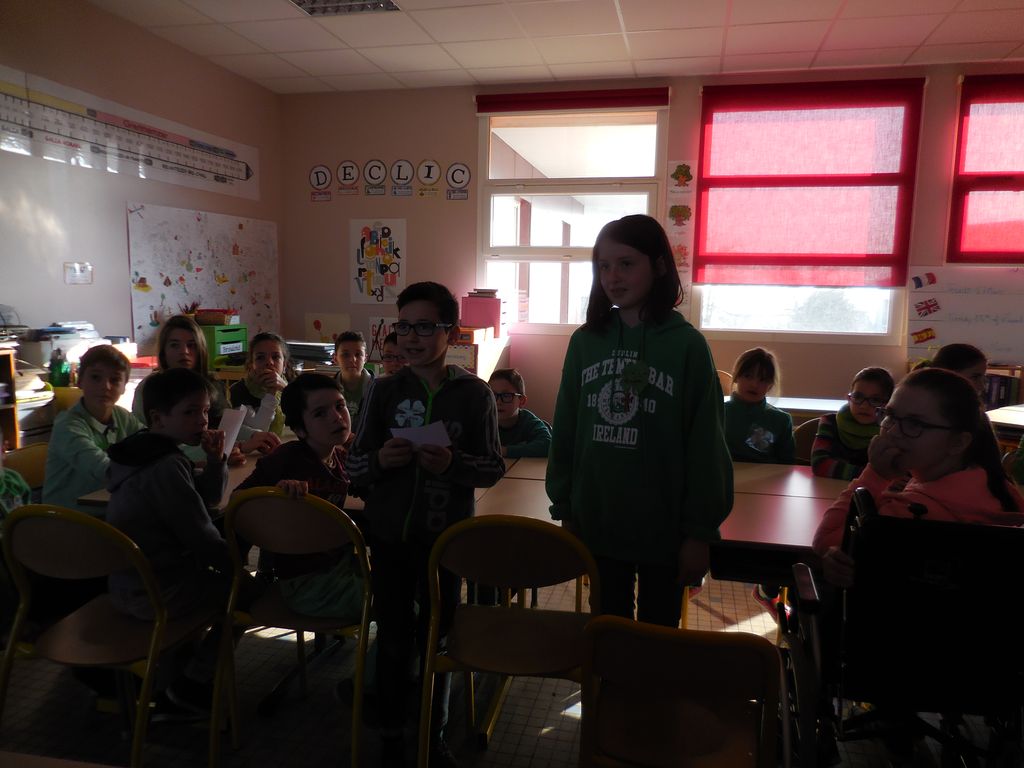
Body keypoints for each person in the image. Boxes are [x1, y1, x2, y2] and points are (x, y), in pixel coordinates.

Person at [546, 214, 733, 628]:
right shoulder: (585, 342)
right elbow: (567, 429)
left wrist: (700, 533)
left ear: (659, 265)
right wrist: (566, 508)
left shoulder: (687, 345)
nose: (612, 277)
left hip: (664, 530)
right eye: (604, 266)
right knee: (608, 630)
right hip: (598, 521)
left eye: (626, 264)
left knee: (656, 639)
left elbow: (706, 444)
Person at [345, 281, 505, 767]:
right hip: (389, 537)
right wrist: (380, 460)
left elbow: (492, 467)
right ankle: (392, 733)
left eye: (425, 326)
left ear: (450, 332)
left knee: (436, 638)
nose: (411, 337)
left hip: (445, 542)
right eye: (404, 327)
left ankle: (432, 734)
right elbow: (354, 466)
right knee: (393, 637)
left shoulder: (474, 394)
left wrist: (452, 464)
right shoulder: (383, 390)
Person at [107, 367, 251, 713]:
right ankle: (193, 683)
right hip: (156, 592)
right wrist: (239, 570)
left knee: (225, 572)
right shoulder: (165, 466)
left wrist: (215, 460)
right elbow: (201, 536)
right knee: (246, 594)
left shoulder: (141, 451)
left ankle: (177, 671)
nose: (203, 421)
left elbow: (208, 500)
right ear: (158, 417)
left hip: (127, 584)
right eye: (190, 412)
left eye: (205, 411)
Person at [813, 367, 1024, 588]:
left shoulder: (910, 512)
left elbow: (824, 540)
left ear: (958, 442)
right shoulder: (998, 487)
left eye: (915, 424)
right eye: (890, 416)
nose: (892, 431)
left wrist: (876, 474)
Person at [234, 373, 363, 619]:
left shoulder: (341, 457)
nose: (337, 417)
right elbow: (238, 500)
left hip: (339, 568)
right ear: (300, 430)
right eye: (320, 413)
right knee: (400, 604)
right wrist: (275, 495)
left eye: (340, 406)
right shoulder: (285, 459)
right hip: (307, 585)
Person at [133, 315, 278, 461]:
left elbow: (224, 424)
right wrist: (233, 448)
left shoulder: (211, 384)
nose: (184, 351)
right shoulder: (148, 388)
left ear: (201, 350)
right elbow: (148, 443)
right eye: (174, 345)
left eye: (191, 345)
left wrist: (254, 435)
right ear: (163, 352)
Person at [43, 345, 144, 515]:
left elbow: (152, 446)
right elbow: (104, 470)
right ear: (80, 381)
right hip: (66, 520)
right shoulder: (67, 426)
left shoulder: (123, 417)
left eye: (115, 380)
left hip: (108, 512)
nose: (105, 386)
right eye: (95, 377)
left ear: (124, 387)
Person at [811, 367, 895, 480]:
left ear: (888, 403)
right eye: (858, 397)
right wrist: (873, 476)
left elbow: (897, 472)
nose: (864, 406)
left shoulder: (893, 431)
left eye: (875, 400)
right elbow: (819, 464)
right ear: (849, 398)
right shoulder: (829, 422)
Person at [724, 347, 795, 465]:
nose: (754, 384)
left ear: (770, 385)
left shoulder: (781, 420)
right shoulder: (717, 412)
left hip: (766, 476)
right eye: (748, 376)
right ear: (736, 377)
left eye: (763, 379)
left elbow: (786, 463)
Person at [230, 331, 294, 437]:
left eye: (275, 357)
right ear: (251, 365)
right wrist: (271, 392)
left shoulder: (291, 386)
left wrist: (286, 390)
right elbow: (259, 431)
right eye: (260, 357)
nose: (269, 362)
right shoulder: (239, 390)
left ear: (284, 366)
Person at [488, 368, 551, 458]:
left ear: (521, 401)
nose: (498, 402)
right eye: (493, 395)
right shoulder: (485, 421)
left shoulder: (528, 421)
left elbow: (547, 445)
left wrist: (506, 451)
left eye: (506, 395)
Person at [334, 331, 373, 421]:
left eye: (358, 354)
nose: (353, 359)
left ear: (365, 359)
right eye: (346, 355)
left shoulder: (376, 388)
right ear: (335, 359)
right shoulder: (328, 390)